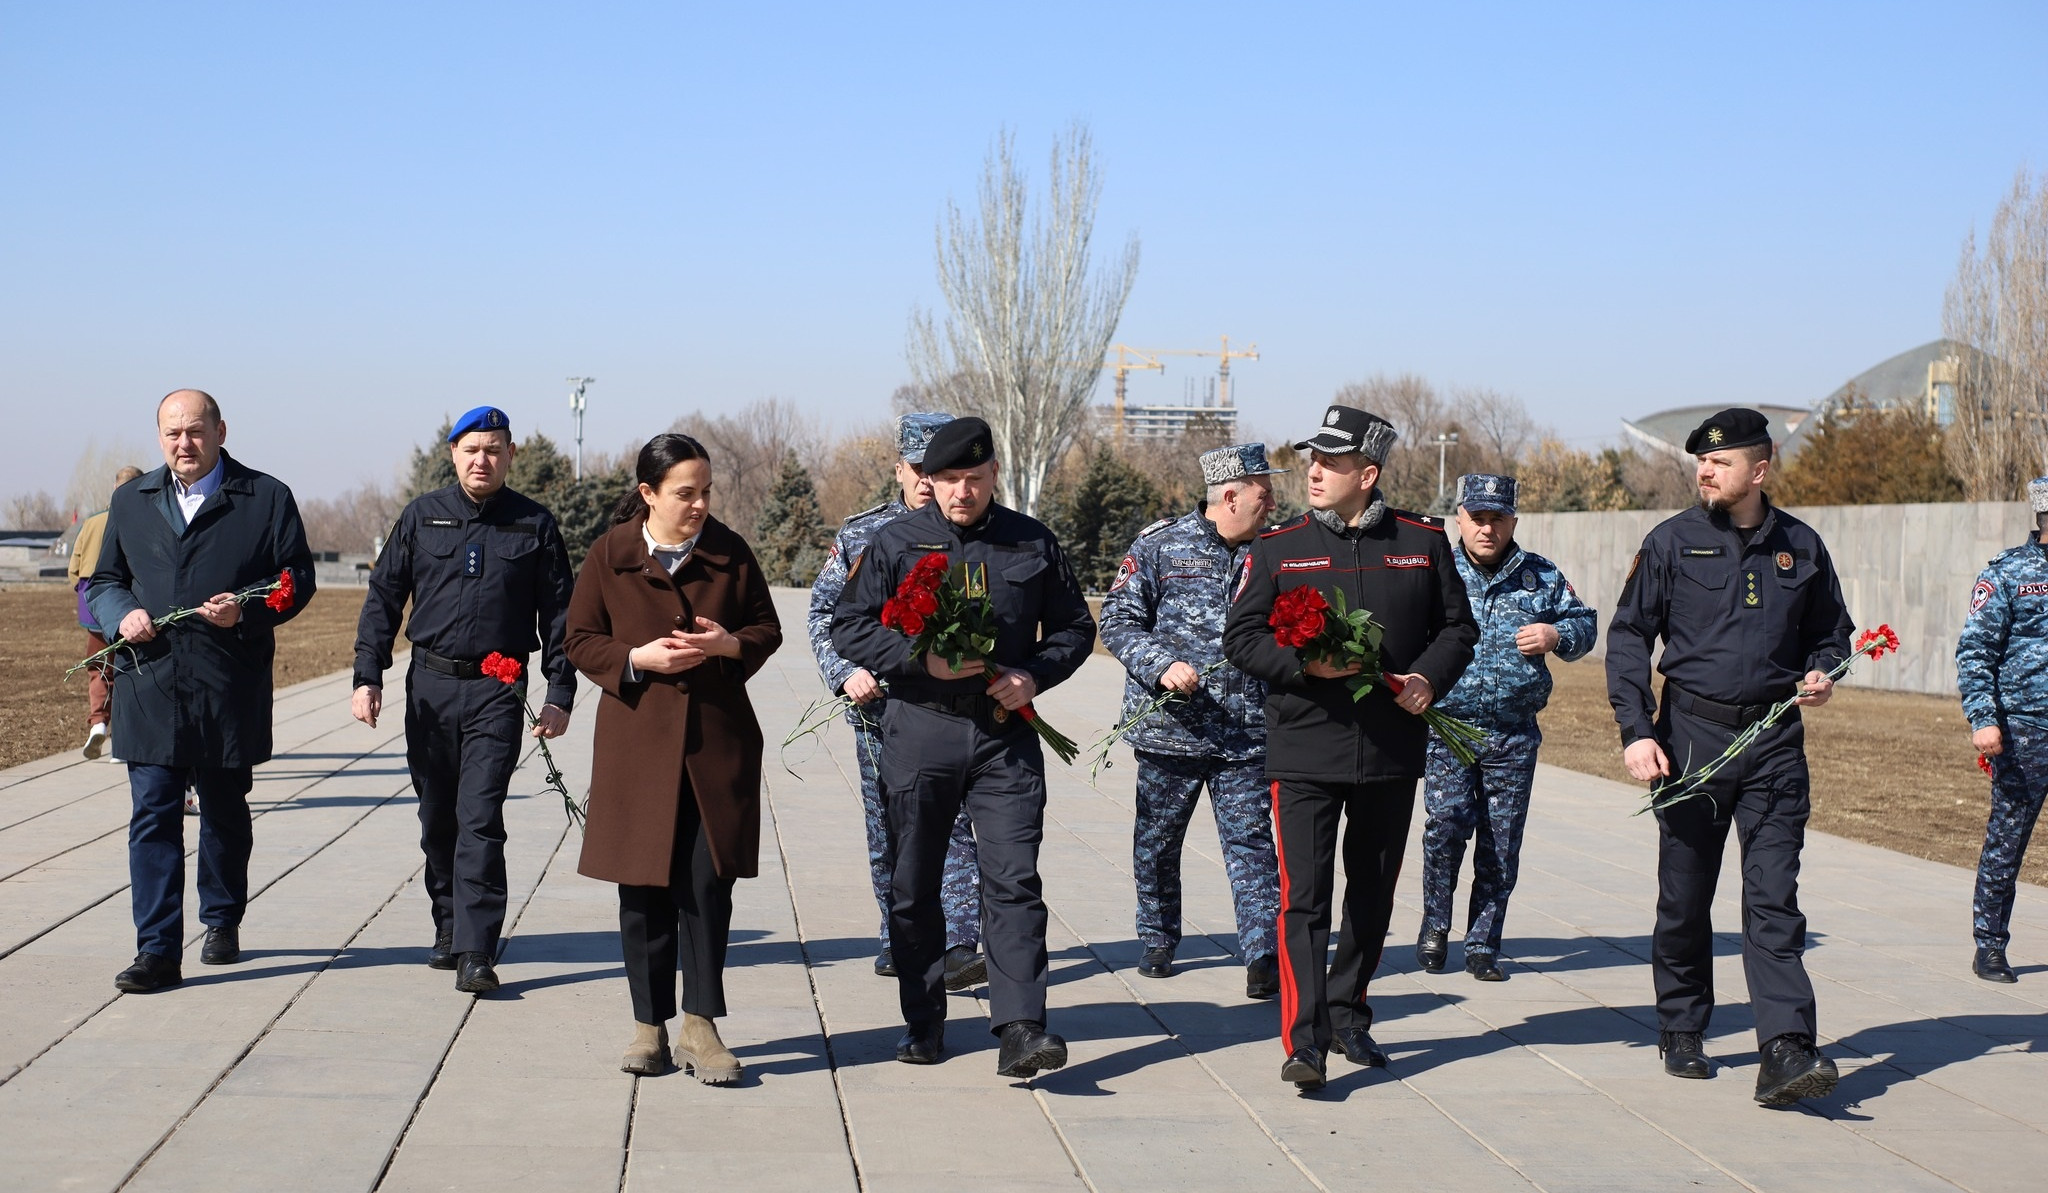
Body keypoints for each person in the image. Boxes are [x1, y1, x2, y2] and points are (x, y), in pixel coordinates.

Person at [1222, 405, 1477, 1091]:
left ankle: (1348, 1009)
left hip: (1390, 750)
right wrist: (1307, 667)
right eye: (1312, 459)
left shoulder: (1423, 542)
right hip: (1305, 748)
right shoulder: (1279, 545)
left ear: (1368, 473)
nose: (1313, 470)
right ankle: (1304, 1041)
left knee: (1371, 894)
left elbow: (1458, 628)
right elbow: (1241, 639)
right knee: (1304, 897)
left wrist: (1427, 676)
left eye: (1330, 462)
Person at [831, 416, 1096, 1078]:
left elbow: (1074, 626)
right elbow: (850, 626)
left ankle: (1021, 1027)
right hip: (920, 728)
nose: (960, 492)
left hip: (1004, 735)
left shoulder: (1031, 541)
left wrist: (1032, 673)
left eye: (973, 479)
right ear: (926, 479)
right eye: (946, 480)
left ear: (994, 475)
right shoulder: (895, 543)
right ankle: (923, 1019)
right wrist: (921, 659)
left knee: (1013, 878)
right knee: (914, 883)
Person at [1606, 407, 1853, 1107]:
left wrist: (1823, 671)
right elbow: (1628, 638)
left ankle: (1785, 1048)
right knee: (1685, 897)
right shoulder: (1671, 542)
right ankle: (1681, 1026)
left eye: (1720, 461)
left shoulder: (1801, 546)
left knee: (1773, 900)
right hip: (1690, 742)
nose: (1704, 470)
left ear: (1761, 469)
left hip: (1774, 744)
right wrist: (1636, 730)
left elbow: (1831, 632)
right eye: (1702, 461)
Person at [564, 433, 782, 1083]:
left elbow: (766, 628)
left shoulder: (729, 552)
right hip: (638, 746)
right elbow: (579, 638)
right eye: (685, 492)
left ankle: (701, 1027)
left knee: (706, 888)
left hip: (715, 747)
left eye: (706, 491)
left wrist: (726, 643)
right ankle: (647, 1027)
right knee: (642, 889)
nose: (699, 504)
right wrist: (637, 659)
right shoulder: (612, 554)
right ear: (648, 493)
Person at [87, 390, 317, 993]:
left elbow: (296, 580)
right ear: (158, 437)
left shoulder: (265, 497)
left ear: (220, 430)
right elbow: (105, 580)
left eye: (194, 431)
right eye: (171, 434)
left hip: (226, 683)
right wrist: (122, 615)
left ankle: (221, 918)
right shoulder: (130, 501)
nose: (183, 444)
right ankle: (158, 950)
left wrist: (244, 610)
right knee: (153, 815)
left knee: (223, 811)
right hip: (150, 682)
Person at [352, 406, 577, 995]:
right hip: (428, 689)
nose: (483, 460)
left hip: (497, 691)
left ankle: (478, 949)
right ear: (453, 454)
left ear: (510, 455)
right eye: (472, 449)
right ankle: (448, 924)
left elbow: (560, 616)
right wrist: (366, 675)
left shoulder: (534, 525)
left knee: (480, 818)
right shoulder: (422, 518)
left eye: (494, 449)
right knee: (437, 818)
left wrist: (560, 693)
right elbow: (383, 598)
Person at [1099, 442, 1284, 999]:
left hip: (1247, 733)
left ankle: (1262, 954)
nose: (1272, 502)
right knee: (1156, 843)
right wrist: (1161, 666)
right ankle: (1157, 938)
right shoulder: (1159, 546)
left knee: (1252, 845)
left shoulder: (1275, 552)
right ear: (1231, 496)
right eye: (1263, 491)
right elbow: (1117, 619)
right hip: (1169, 732)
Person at [806, 412, 984, 987]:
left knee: (953, 822)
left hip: (953, 710)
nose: (929, 483)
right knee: (890, 826)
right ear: (899, 469)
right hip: (881, 709)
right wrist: (845, 673)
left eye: (941, 470)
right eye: (918, 470)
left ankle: (959, 941)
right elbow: (825, 614)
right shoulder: (865, 536)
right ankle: (898, 936)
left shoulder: (975, 532)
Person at [1416, 473, 1596, 982]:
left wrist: (1556, 633)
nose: (1488, 529)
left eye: (1498, 518)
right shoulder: (1437, 568)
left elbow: (1585, 626)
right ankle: (1435, 925)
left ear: (1514, 520)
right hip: (1449, 728)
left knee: (1500, 842)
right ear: (1460, 519)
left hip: (1513, 734)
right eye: (1478, 518)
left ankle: (1482, 944)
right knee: (1444, 827)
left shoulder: (1540, 575)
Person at [1954, 476, 2048, 985]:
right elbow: (1975, 651)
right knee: (2007, 839)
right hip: (2025, 729)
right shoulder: (2009, 572)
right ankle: (1990, 944)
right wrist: (1983, 719)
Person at [68, 465, 144, 760]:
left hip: (93, 605)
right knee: (128, 668)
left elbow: (74, 565)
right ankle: (122, 741)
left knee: (99, 666)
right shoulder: (140, 520)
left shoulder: (93, 522)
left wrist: (83, 591)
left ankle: (98, 722)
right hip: (129, 605)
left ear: (115, 488)